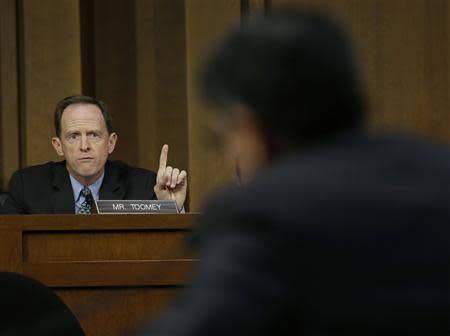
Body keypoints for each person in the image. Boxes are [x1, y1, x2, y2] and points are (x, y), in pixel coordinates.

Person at [137, 9, 450, 335]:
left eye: (225, 134)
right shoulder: (441, 173)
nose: (231, 151)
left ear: (253, 127)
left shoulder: (264, 214)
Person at [4, 95, 187, 214]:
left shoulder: (145, 186)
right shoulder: (27, 187)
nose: (85, 146)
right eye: (74, 136)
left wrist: (170, 210)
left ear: (111, 143)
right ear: (58, 146)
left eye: (94, 135)